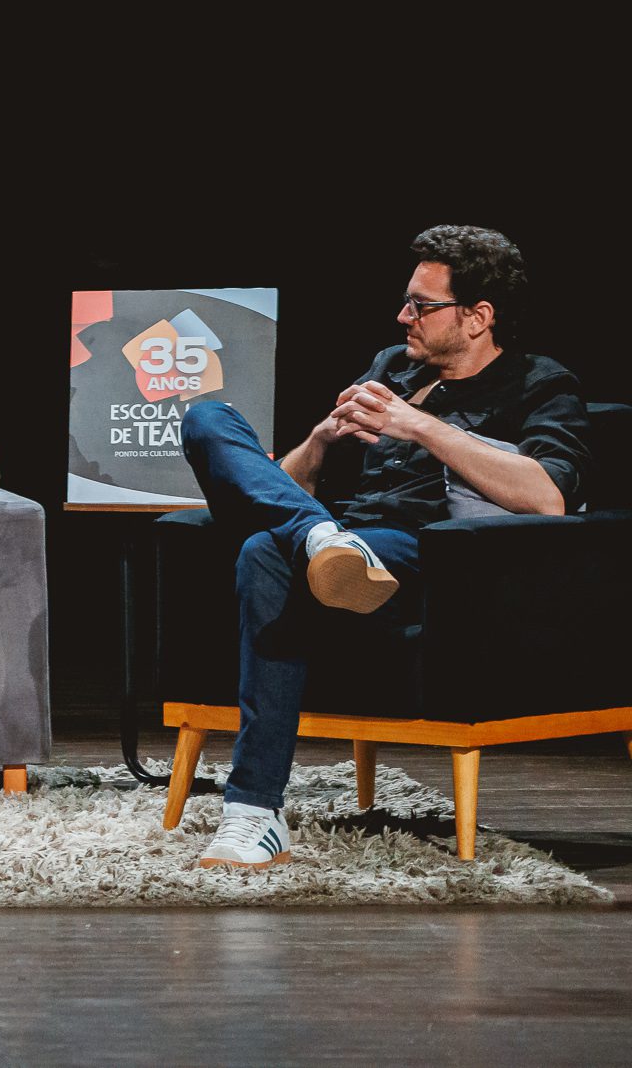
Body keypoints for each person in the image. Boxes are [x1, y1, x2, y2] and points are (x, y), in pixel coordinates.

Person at [182, 224, 590, 869]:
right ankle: (315, 538)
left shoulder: (538, 383)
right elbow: (284, 485)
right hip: (336, 529)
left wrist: (418, 426)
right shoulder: (391, 367)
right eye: (407, 301)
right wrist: (320, 439)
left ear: (479, 316)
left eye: (423, 306)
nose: (404, 317)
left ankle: (253, 813)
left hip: (418, 552)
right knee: (207, 418)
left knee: (263, 551)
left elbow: (548, 497)